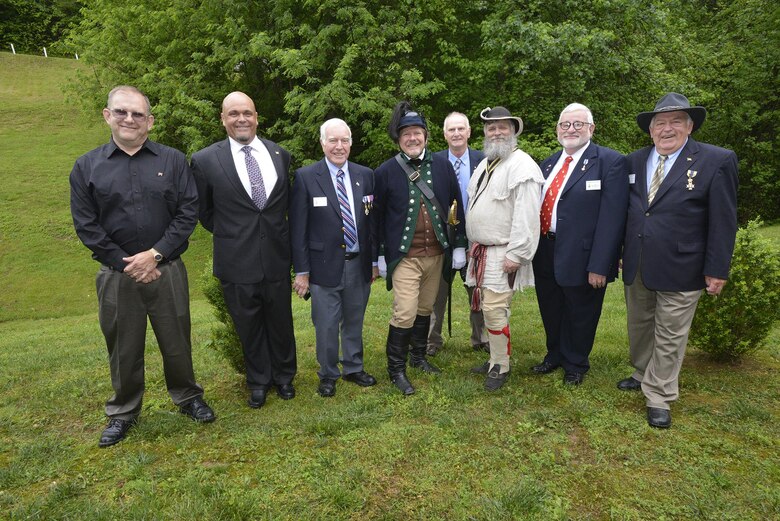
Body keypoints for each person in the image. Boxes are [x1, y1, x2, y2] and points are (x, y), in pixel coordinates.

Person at [70, 85, 215, 448]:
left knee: (177, 340)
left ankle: (188, 397)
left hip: (167, 270)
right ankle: (123, 412)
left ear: (150, 121)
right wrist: (128, 262)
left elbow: (187, 213)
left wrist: (156, 255)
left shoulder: (173, 161)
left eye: (137, 114)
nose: (129, 119)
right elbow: (87, 225)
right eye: (121, 112)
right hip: (116, 276)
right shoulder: (87, 167)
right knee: (123, 347)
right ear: (107, 116)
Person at [619, 92, 738, 428]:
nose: (666, 128)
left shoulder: (716, 160)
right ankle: (643, 373)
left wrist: (717, 269)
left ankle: (659, 394)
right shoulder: (634, 161)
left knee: (671, 333)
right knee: (640, 325)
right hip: (639, 262)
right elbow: (629, 213)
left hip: (684, 264)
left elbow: (723, 220)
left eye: (675, 122)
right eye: (660, 123)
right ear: (650, 130)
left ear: (689, 127)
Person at [191, 91, 297, 409]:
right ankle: (259, 381)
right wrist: (235, 235)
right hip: (236, 259)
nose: (241, 119)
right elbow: (205, 212)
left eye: (247, 113)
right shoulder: (205, 160)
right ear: (223, 119)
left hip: (277, 256)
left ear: (256, 118)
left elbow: (283, 206)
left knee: (281, 320)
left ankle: (285, 377)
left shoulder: (280, 154)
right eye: (234, 113)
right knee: (248, 325)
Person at [531, 103, 629, 385]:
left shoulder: (610, 162)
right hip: (546, 249)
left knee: (580, 311)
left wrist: (601, 263)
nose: (570, 129)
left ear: (591, 129)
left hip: (583, 254)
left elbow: (613, 219)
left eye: (577, 124)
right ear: (557, 130)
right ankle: (554, 355)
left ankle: (575, 363)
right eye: (565, 125)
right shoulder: (548, 164)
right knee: (550, 306)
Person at [374, 101, 467, 395]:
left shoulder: (442, 165)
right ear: (399, 139)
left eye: (417, 133)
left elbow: (456, 206)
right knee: (405, 312)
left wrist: (459, 245)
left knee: (425, 308)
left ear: (426, 136)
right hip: (405, 258)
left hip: (437, 255)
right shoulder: (386, 171)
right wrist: (379, 254)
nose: (412, 139)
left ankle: (418, 357)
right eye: (406, 135)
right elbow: (377, 218)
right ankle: (396, 369)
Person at [289, 118, 378, 397]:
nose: (339, 147)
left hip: (358, 263)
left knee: (354, 319)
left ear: (351, 143)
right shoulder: (306, 177)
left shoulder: (366, 175)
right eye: (333, 141)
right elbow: (298, 228)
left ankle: (354, 367)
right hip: (322, 266)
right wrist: (302, 271)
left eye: (344, 141)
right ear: (322, 143)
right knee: (326, 324)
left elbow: (371, 224)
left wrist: (374, 261)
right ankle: (328, 373)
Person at [466, 106, 544, 391]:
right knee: (488, 308)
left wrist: (517, 254)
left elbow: (527, 214)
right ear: (485, 133)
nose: (496, 132)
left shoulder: (522, 166)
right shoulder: (487, 163)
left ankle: (501, 365)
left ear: (513, 131)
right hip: (482, 250)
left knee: (495, 309)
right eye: (491, 128)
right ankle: (494, 359)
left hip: (503, 251)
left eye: (502, 127)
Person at [427, 112, 489, 356]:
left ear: (469, 132)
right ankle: (431, 340)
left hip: (475, 237)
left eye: (460, 129)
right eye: (451, 130)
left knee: (478, 292)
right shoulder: (432, 162)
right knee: (435, 293)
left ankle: (481, 338)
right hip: (441, 240)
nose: (456, 133)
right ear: (444, 134)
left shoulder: (484, 160)